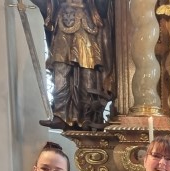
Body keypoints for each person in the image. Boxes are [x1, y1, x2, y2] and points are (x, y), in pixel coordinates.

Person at [36, 0, 115, 129]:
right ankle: (60, 115)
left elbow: (103, 7)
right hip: (62, 22)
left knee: (87, 72)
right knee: (60, 70)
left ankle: (87, 117)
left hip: (86, 24)